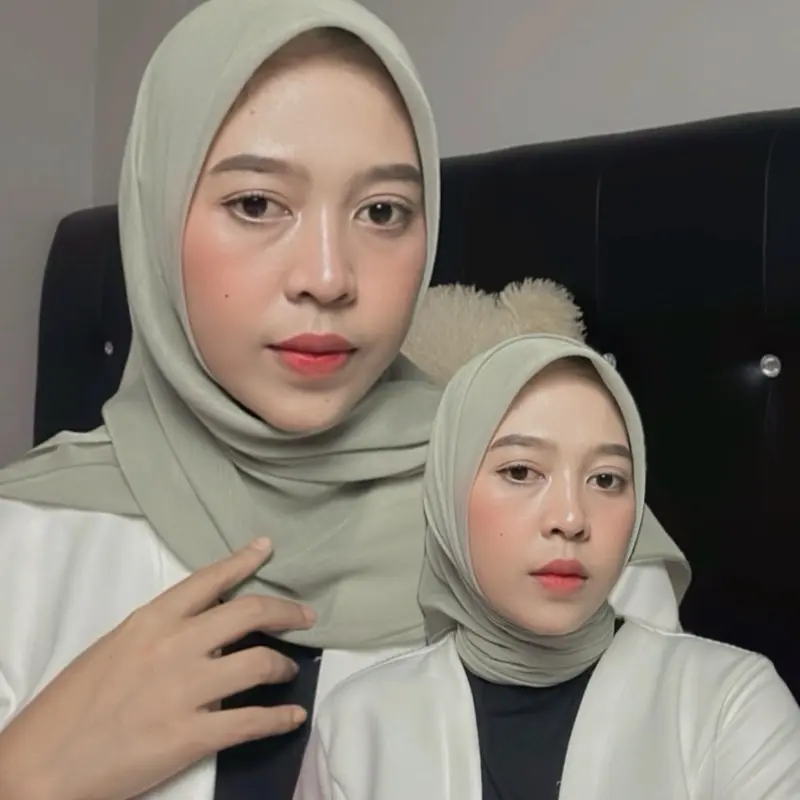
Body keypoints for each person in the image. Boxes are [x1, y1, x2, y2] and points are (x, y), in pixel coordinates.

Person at [0, 1, 688, 799]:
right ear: (156, 214)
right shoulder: (26, 542)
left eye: (382, 212)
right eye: (257, 204)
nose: (328, 277)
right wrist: (30, 772)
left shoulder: (575, 538)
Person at [295, 333, 800, 800]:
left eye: (606, 479)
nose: (571, 518)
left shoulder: (730, 704)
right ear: (449, 492)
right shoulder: (359, 726)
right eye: (520, 471)